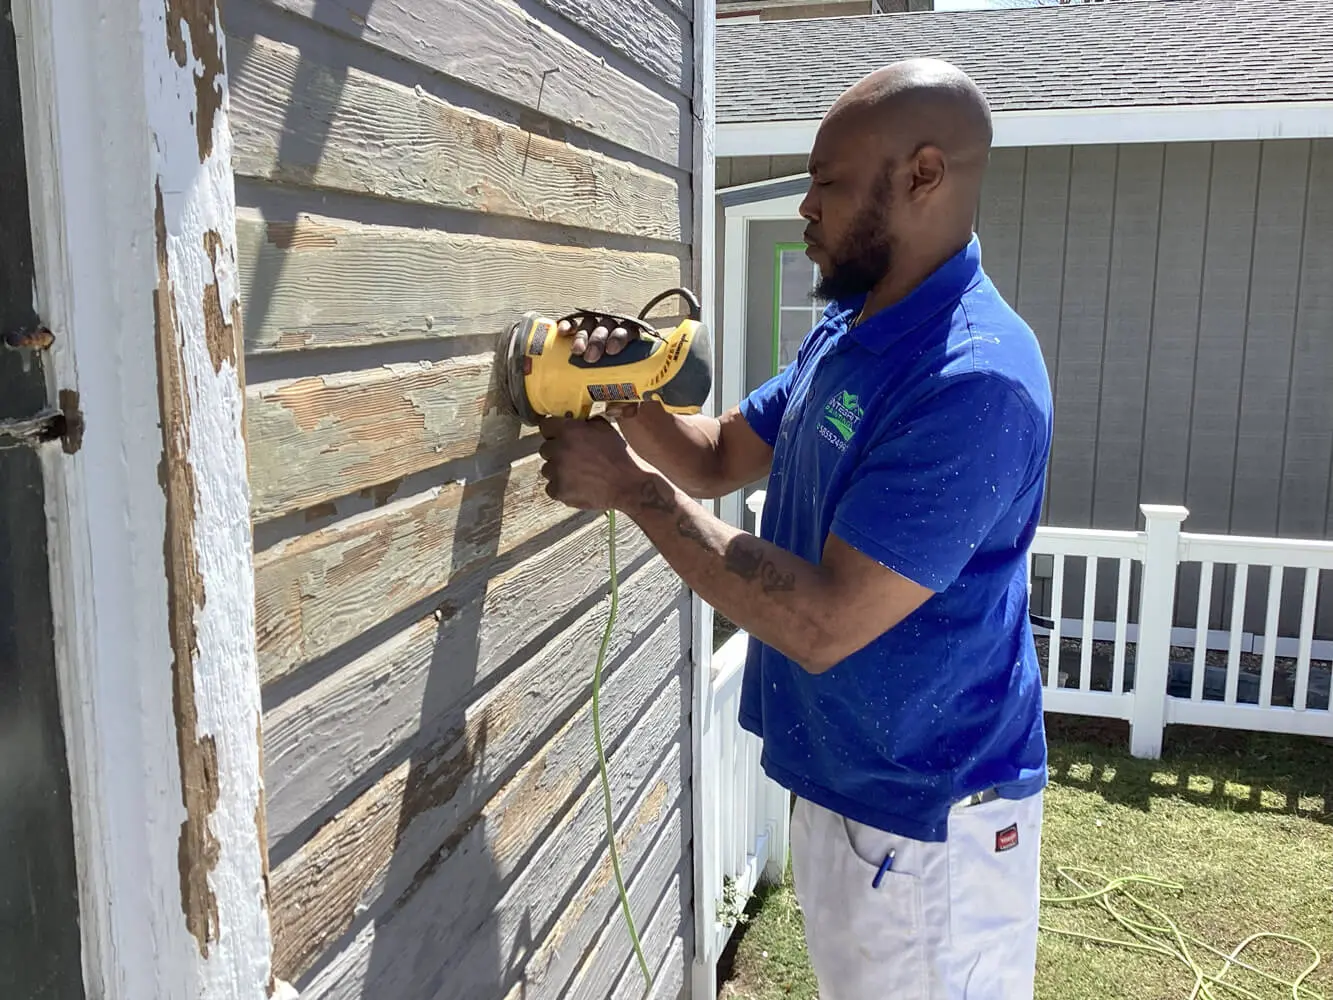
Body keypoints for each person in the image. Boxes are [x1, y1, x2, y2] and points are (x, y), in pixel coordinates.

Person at [537, 58, 1053, 999]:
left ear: (923, 175)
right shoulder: (854, 330)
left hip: (927, 818)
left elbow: (823, 623)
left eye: (827, 182)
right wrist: (627, 392)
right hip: (854, 787)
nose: (805, 207)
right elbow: (722, 450)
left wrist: (633, 490)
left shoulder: (971, 383)